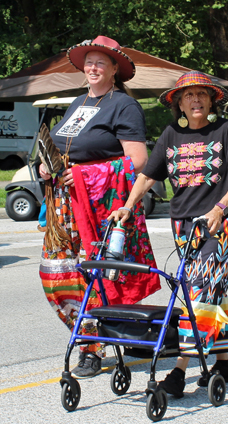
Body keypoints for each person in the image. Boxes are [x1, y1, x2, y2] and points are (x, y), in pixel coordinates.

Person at [108, 71, 228, 398]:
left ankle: (180, 369)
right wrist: (129, 206)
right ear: (178, 104)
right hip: (183, 225)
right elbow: (147, 175)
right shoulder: (171, 134)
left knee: (198, 292)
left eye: (202, 94)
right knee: (212, 289)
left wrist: (219, 208)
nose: (196, 100)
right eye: (189, 96)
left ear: (213, 99)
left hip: (221, 223)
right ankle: (224, 362)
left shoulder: (225, 130)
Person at [39, 36, 160, 379]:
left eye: (100, 63)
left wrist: (85, 174)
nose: (92, 68)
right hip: (64, 208)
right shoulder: (78, 103)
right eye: (88, 62)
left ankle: (91, 347)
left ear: (114, 70)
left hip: (97, 207)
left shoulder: (124, 106)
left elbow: (138, 162)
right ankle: (108, 331)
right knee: (55, 275)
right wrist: (48, 167)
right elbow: (67, 148)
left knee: (92, 277)